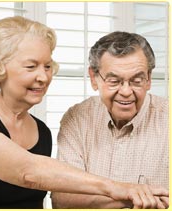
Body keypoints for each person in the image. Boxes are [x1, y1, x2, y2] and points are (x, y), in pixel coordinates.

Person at [0, 18, 168, 209]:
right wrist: (120, 188)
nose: (43, 77)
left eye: (47, 66)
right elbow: (28, 172)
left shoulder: (41, 131)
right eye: (31, 67)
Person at [51, 31, 169, 209]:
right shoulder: (76, 118)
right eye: (114, 81)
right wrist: (133, 196)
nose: (126, 91)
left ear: (149, 79)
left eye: (137, 80)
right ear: (94, 78)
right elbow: (62, 199)